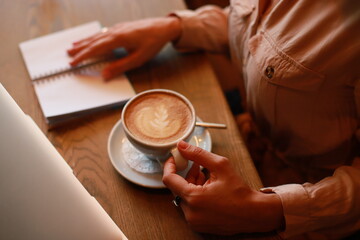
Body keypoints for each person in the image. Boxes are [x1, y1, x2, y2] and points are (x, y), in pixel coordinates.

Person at [68, 0, 360, 239]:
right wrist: (176, 26)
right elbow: (258, 31)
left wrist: (264, 211)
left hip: (313, 207)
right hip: (248, 142)